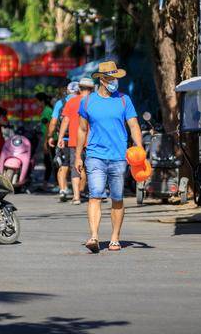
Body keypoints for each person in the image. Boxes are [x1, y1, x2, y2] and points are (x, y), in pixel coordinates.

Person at [75, 61, 142, 253]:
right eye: (112, 79)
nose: (115, 82)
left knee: (117, 198)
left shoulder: (124, 100)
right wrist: (78, 156)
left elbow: (134, 125)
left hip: (119, 157)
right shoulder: (87, 101)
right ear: (103, 80)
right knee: (95, 195)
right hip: (95, 156)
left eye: (116, 78)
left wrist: (139, 150)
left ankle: (114, 238)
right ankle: (94, 236)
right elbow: (81, 130)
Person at [58, 78, 95, 204]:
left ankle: (76, 196)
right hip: (93, 141)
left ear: (79, 88)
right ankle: (93, 194)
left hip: (74, 140)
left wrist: (61, 137)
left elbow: (65, 120)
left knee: (76, 168)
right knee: (91, 168)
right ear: (93, 89)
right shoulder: (95, 102)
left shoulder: (72, 102)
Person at [49, 82, 79, 201]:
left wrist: (50, 136)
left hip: (65, 139)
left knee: (63, 165)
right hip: (81, 139)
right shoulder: (83, 101)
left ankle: (62, 189)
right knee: (80, 165)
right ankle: (80, 192)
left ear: (67, 90)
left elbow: (53, 121)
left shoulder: (60, 103)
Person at [35, 92, 54, 190]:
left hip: (49, 138)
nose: (36, 104)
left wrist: (45, 142)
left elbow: (47, 127)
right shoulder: (47, 110)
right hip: (50, 138)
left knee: (49, 161)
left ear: (41, 101)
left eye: (37, 101)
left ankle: (48, 183)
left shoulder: (47, 111)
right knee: (49, 161)